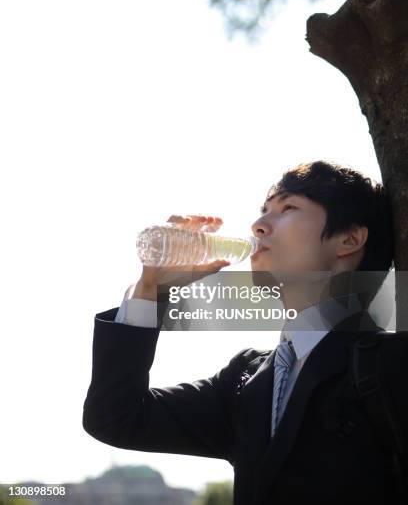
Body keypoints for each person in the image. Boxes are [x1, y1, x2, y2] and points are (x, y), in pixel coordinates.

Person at [82, 161, 406, 505]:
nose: (258, 225)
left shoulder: (392, 364)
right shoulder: (246, 380)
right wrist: (151, 290)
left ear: (350, 239)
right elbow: (115, 417)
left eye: (288, 207)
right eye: (264, 211)